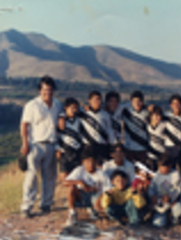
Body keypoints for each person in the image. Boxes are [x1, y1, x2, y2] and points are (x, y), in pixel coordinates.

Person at [20, 76, 62, 218]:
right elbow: (24, 125)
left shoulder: (57, 105)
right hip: (35, 145)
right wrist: (25, 143)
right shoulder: (32, 105)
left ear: (54, 90)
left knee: (49, 177)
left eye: (50, 90)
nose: (47, 93)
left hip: (51, 144)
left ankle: (46, 204)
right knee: (31, 176)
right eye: (45, 90)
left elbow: (60, 125)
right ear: (40, 90)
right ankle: (27, 206)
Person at [63, 146, 112, 226]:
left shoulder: (101, 173)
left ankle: (94, 211)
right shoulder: (79, 170)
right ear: (83, 162)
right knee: (71, 187)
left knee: (104, 202)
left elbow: (108, 189)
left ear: (96, 162)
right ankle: (72, 212)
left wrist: (98, 202)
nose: (91, 164)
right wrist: (80, 182)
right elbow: (64, 183)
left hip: (95, 197)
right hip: (81, 197)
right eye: (88, 162)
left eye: (93, 162)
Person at [78, 91, 116, 166]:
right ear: (89, 100)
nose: (98, 102)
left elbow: (109, 131)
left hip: (102, 147)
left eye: (99, 99)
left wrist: (113, 145)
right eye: (95, 99)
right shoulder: (83, 113)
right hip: (88, 147)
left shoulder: (105, 114)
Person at [148, 154, 181, 228]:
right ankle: (160, 215)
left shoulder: (175, 174)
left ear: (170, 166)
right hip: (159, 202)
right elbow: (151, 188)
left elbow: (178, 189)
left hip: (171, 201)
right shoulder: (156, 175)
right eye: (160, 166)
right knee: (158, 224)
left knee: (179, 209)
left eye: (164, 167)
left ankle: (173, 217)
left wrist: (170, 196)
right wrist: (152, 196)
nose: (161, 169)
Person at [56, 97, 83, 181]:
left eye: (76, 108)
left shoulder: (79, 119)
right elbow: (55, 135)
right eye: (72, 108)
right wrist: (57, 149)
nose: (74, 110)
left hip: (77, 151)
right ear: (66, 108)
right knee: (65, 178)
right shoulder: (60, 121)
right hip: (64, 152)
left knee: (77, 177)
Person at [119, 90, 149, 164]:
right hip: (129, 149)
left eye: (139, 101)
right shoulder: (125, 111)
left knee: (142, 173)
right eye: (134, 101)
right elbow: (112, 109)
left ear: (142, 102)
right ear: (131, 102)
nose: (137, 103)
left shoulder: (148, 113)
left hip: (143, 149)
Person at [164, 94, 181, 174]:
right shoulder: (166, 116)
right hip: (170, 147)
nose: (176, 105)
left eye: (178, 103)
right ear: (170, 105)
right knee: (171, 169)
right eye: (174, 103)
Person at [147, 105, 167, 171]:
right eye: (156, 115)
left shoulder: (164, 124)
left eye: (159, 115)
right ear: (151, 116)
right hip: (151, 155)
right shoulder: (147, 125)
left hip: (162, 154)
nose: (158, 117)